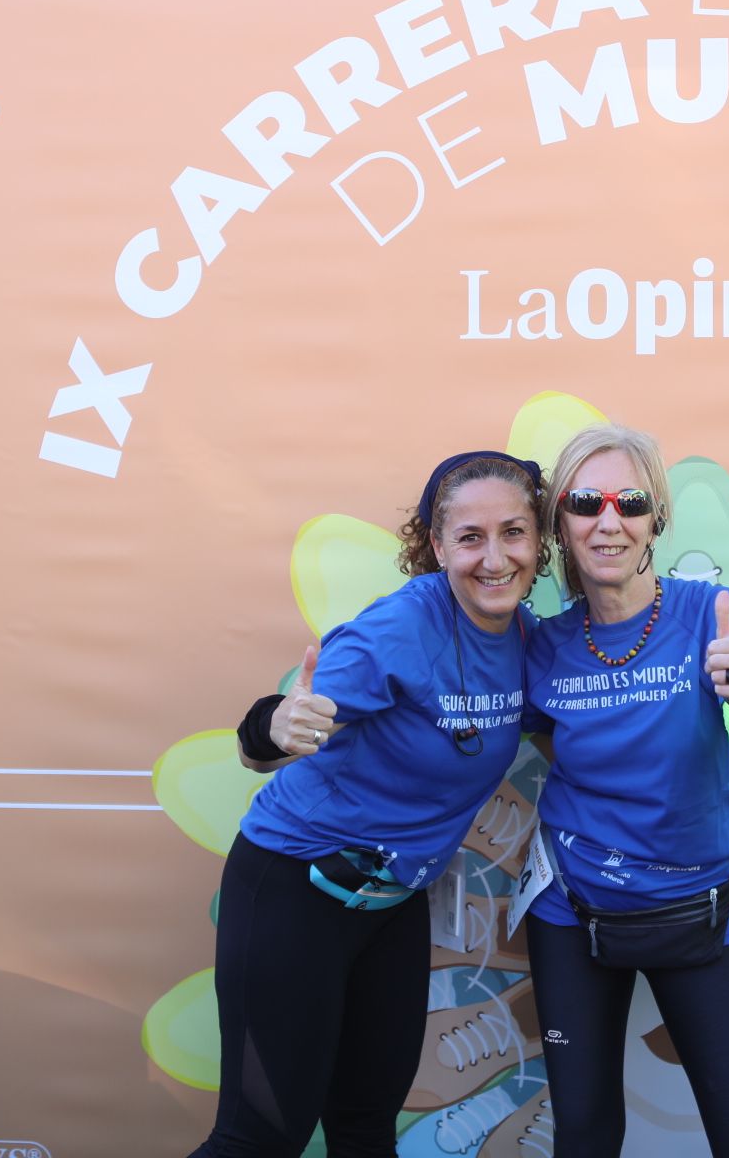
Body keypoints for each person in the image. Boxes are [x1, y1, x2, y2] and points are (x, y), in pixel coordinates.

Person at [192, 450, 551, 1158]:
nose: (495, 557)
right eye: (470, 538)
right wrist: (277, 726)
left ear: (539, 541)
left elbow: (594, 729)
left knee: (364, 1130)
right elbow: (260, 739)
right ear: (437, 545)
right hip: (293, 888)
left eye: (513, 532)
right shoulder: (402, 629)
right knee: (259, 1139)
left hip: (391, 907)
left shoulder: (526, 640)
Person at [519, 423, 729, 1158]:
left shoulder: (717, 617)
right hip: (571, 916)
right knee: (583, 1135)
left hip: (703, 910)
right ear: (561, 524)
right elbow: (553, 747)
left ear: (656, 520)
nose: (608, 520)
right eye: (585, 502)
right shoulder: (542, 645)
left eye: (630, 501)